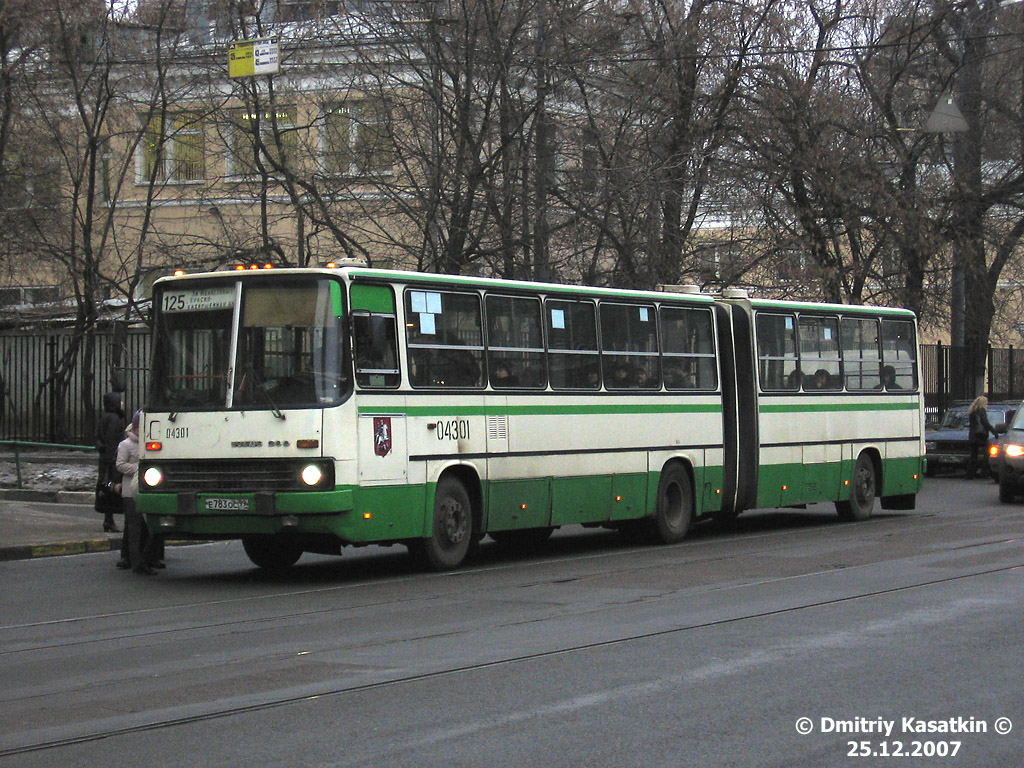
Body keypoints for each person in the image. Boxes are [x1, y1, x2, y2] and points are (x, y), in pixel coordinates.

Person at [115, 410, 164, 575]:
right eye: (139, 427)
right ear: (135, 427)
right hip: (130, 491)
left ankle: (147, 560)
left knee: (148, 529)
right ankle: (137, 563)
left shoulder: (148, 444)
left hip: (145, 490)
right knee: (135, 530)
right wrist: (137, 469)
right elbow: (120, 465)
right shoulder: (125, 445)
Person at [94, 391, 124, 533]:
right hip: (112, 460)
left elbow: (100, 437)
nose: (122, 403)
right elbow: (113, 440)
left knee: (106, 487)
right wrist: (114, 459)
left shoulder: (104, 417)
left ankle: (108, 519)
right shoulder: (114, 419)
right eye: (120, 401)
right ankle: (109, 520)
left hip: (104, 458)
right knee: (113, 488)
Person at [966, 396, 997, 480]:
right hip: (981, 436)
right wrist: (994, 432)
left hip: (972, 436)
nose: (987, 404)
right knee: (987, 453)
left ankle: (969, 474)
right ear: (983, 403)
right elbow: (985, 423)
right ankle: (984, 472)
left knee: (973, 456)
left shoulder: (972, 411)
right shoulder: (981, 411)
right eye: (986, 402)